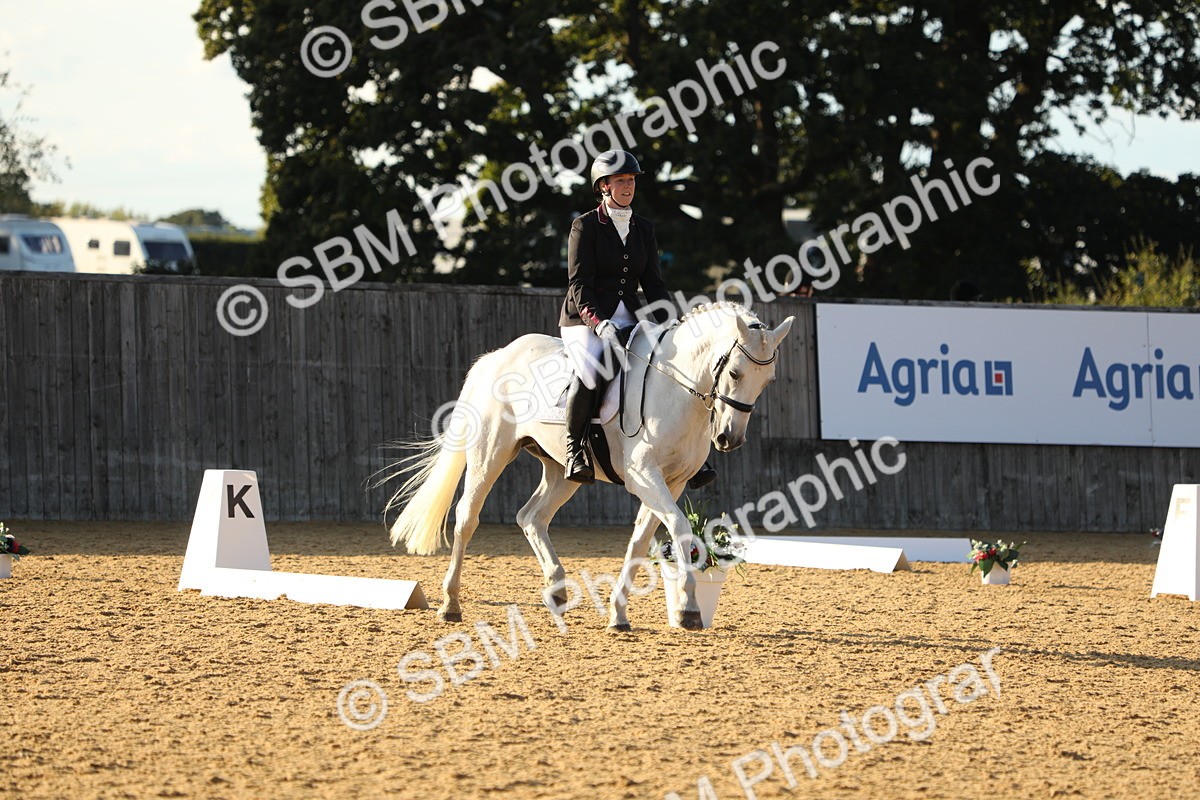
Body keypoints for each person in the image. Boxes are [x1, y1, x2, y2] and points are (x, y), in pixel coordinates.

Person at [558, 149, 717, 488]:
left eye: (631, 180)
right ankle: (575, 449)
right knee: (591, 370)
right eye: (621, 181)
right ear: (604, 186)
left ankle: (690, 455)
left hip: (629, 315)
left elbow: (654, 284)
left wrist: (673, 325)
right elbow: (579, 284)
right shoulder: (584, 225)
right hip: (585, 318)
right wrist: (599, 323)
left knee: (671, 364)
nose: (628, 186)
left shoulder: (643, 228)